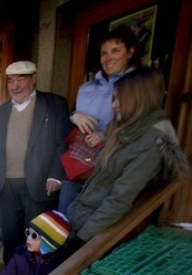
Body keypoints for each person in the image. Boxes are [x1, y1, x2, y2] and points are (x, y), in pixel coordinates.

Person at [65, 67, 191, 253]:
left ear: (139, 99)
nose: (113, 105)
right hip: (82, 216)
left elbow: (119, 200)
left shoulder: (150, 143)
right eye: (113, 98)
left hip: (97, 231)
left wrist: (82, 240)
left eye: (119, 99)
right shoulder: (121, 128)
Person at [0, 60, 70, 264]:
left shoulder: (54, 105)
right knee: (10, 239)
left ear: (34, 78)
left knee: (37, 238)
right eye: (11, 81)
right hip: (5, 186)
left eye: (21, 79)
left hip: (38, 184)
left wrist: (56, 175)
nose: (15, 86)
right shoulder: (1, 112)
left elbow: (62, 145)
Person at [58, 25, 140, 214]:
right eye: (104, 53)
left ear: (130, 52)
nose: (108, 58)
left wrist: (105, 135)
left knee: (95, 227)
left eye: (115, 50)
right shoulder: (87, 87)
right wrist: (74, 116)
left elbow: (141, 125)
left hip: (110, 169)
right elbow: (69, 119)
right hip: (78, 163)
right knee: (64, 220)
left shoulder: (139, 85)